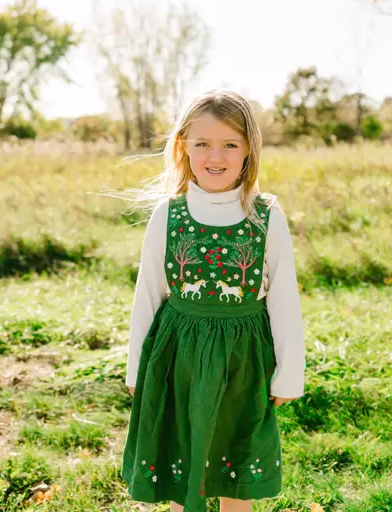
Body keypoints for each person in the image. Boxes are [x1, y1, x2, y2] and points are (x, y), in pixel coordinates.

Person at [120, 89, 306, 512]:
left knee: (234, 466)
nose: (215, 156)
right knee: (182, 459)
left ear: (247, 152)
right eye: (202, 143)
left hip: (244, 359)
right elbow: (148, 295)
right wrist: (137, 369)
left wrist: (289, 372)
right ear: (183, 147)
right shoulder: (170, 214)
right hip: (177, 357)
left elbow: (284, 299)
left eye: (229, 144)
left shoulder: (265, 215)